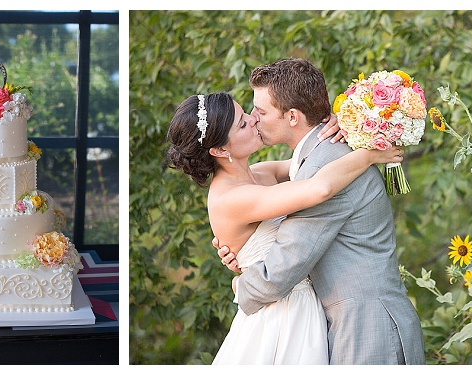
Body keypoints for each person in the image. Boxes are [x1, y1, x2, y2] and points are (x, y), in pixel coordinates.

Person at [166, 91, 405, 364]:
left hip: (306, 305)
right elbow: (320, 187)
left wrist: (343, 127)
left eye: (247, 113)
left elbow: (315, 158)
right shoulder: (230, 198)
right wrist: (369, 155)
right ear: (220, 150)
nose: (254, 120)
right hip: (281, 315)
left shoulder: (262, 172)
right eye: (243, 124)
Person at [216, 58, 426, 364]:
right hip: (362, 323)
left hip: (368, 328)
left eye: (261, 112)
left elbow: (285, 264)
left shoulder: (323, 165)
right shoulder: (320, 156)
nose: (254, 119)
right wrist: (241, 244)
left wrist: (241, 283)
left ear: (292, 117)